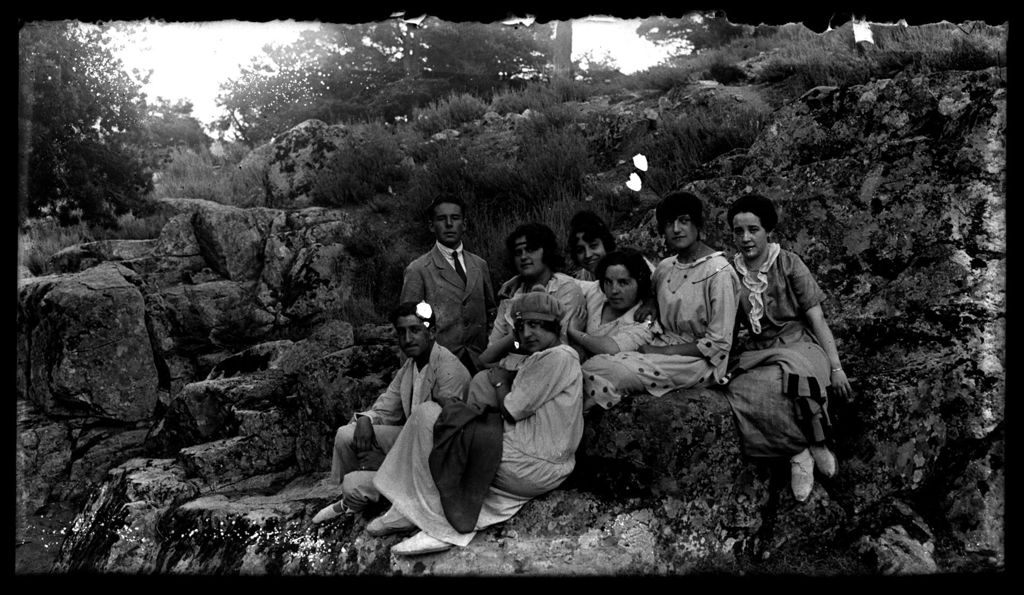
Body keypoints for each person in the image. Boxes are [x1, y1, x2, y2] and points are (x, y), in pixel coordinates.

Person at [367, 291, 584, 556]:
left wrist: (500, 382)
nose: (527, 334)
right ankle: (409, 507)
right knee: (443, 418)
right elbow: (488, 361)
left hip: (531, 463)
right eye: (522, 327)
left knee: (428, 418)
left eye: (536, 325)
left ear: (554, 326)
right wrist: (506, 358)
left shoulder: (559, 356)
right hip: (538, 460)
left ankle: (436, 524)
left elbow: (511, 410)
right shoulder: (544, 356)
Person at [722, 193, 853, 502]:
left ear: (768, 231)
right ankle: (800, 452)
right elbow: (727, 329)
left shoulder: (788, 262)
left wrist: (836, 368)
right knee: (740, 391)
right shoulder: (729, 273)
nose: (746, 238)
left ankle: (818, 443)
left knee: (788, 382)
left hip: (801, 347)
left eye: (753, 229)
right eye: (738, 231)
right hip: (761, 351)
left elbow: (817, 319)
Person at [311, 300, 471, 524]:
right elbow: (386, 406)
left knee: (357, 483)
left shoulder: (449, 370)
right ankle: (354, 497)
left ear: (432, 332)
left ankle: (373, 493)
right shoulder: (410, 366)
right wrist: (366, 419)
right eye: (402, 332)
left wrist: (394, 462)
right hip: (408, 444)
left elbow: (446, 436)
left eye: (415, 330)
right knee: (346, 435)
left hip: (434, 458)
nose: (407, 339)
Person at [580, 191, 740, 409]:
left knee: (609, 370)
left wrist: (662, 352)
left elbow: (719, 343)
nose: (676, 229)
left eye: (684, 221)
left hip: (699, 361)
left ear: (698, 224)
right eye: (668, 223)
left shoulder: (718, 272)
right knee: (593, 364)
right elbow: (653, 292)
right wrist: (651, 302)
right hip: (661, 345)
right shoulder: (666, 266)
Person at [401, 195, 497, 375]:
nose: (449, 224)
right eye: (441, 219)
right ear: (431, 226)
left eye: (455, 218)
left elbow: (491, 312)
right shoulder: (419, 269)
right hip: (439, 369)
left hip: (480, 365)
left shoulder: (479, 265)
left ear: (464, 224)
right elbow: (406, 326)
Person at [478, 222, 585, 370]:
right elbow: (492, 347)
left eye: (531, 249)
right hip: (513, 365)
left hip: (552, 366)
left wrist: (516, 335)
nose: (523, 256)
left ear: (546, 251)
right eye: (518, 252)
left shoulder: (565, 288)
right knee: (482, 379)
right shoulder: (512, 293)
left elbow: (560, 343)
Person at [566, 249, 657, 411]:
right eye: (608, 282)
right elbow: (565, 282)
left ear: (639, 282)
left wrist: (575, 332)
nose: (614, 290)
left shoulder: (646, 321)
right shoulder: (597, 294)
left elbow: (610, 347)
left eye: (623, 283)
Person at [567, 210, 617, 282]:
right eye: (580, 250)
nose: (588, 255)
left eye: (593, 246)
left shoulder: (624, 272)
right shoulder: (581, 281)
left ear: (606, 244)